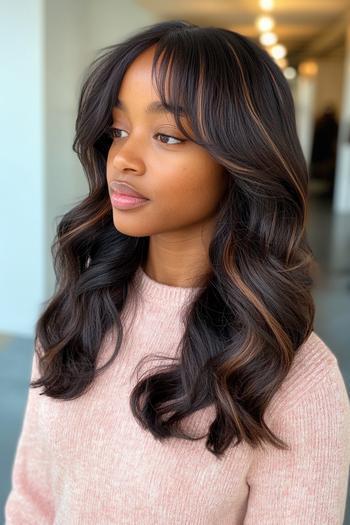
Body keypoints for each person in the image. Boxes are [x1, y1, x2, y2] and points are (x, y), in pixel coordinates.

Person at [5, 19, 350, 525]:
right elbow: (31, 502)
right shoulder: (74, 316)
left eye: (167, 135)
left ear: (242, 159)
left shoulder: (296, 378)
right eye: (119, 130)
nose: (123, 158)